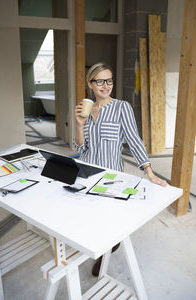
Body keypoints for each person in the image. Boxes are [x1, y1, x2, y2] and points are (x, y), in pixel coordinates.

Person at [74, 62, 167, 276]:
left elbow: (134, 141)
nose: (106, 85)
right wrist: (79, 124)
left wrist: (149, 172)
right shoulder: (86, 109)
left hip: (111, 176)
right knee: (88, 216)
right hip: (86, 173)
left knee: (109, 220)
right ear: (91, 84)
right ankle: (97, 244)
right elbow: (79, 146)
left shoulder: (122, 107)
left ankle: (106, 250)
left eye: (109, 80)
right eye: (100, 81)